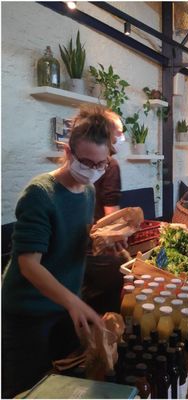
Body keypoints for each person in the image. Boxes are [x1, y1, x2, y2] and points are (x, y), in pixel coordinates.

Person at [1, 106, 126, 398]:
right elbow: (29, 265)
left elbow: (76, 239)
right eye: (85, 162)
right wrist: (73, 301)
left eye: (100, 165)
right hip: (28, 312)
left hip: (63, 305)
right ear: (68, 153)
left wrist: (106, 240)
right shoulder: (40, 194)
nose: (93, 171)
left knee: (62, 383)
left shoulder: (88, 191)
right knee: (26, 388)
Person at [80, 106, 128, 315]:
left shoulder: (86, 179)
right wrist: (117, 237)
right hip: (94, 248)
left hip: (82, 246)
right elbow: (111, 212)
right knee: (120, 275)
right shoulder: (110, 165)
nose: (119, 138)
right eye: (117, 133)